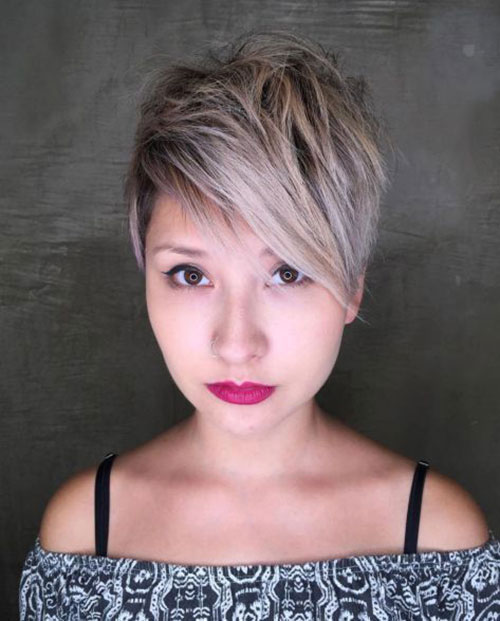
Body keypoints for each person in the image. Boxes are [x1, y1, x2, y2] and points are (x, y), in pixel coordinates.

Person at [19, 28, 500, 619]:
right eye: (191, 275)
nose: (237, 343)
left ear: (352, 289)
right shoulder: (83, 536)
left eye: (288, 273)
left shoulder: (436, 540)